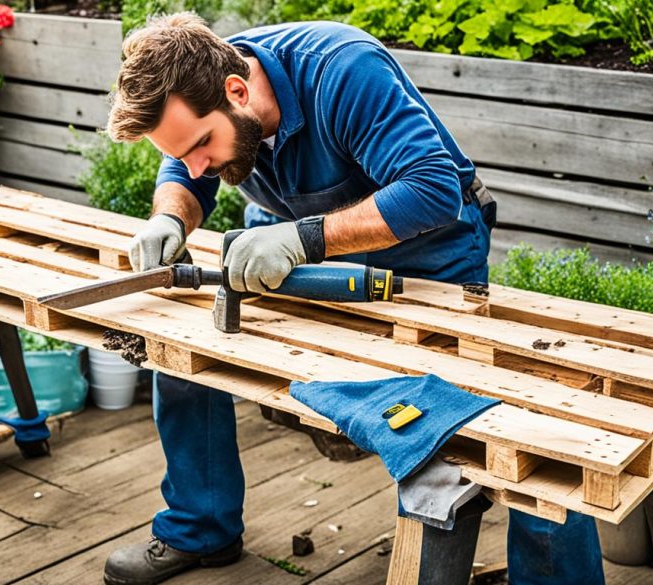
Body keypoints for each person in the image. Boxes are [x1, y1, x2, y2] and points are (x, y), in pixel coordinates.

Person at [101, 12, 603, 585]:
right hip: (305, 254)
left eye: (200, 146)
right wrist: (169, 215)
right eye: (183, 150)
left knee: (488, 422)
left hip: (429, 261)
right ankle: (199, 528)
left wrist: (303, 237)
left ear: (237, 91)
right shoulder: (205, 89)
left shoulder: (342, 71)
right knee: (185, 351)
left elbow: (432, 190)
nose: (196, 163)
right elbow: (183, 168)